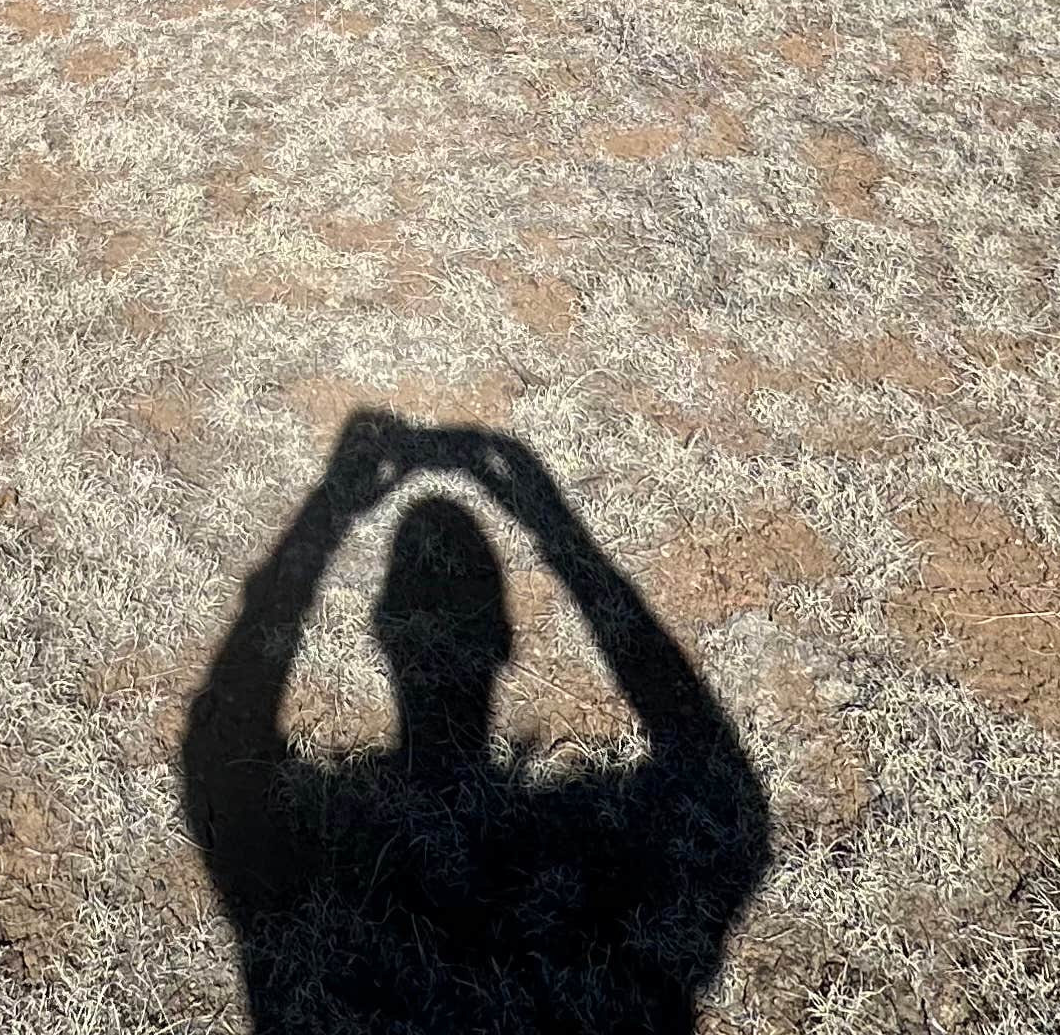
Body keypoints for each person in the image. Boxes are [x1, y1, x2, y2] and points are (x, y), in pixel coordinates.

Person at [178, 412, 772, 1031]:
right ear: (506, 643)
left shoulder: (316, 865)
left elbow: (220, 760)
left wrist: (330, 511)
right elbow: (715, 777)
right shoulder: (596, 877)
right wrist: (553, 528)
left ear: (379, 634)